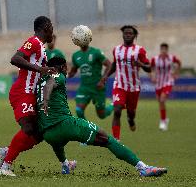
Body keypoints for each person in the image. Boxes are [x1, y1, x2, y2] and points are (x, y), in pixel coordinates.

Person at [37, 56, 167, 177]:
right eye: (65, 67)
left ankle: (65, 165)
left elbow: (46, 85)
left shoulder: (40, 80)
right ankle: (143, 168)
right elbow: (50, 85)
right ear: (62, 67)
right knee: (107, 139)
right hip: (65, 125)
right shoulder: (57, 75)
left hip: (47, 133)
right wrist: (46, 100)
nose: (67, 70)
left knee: (58, 142)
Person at [0, 16, 56, 177]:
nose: (53, 32)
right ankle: (5, 167)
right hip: (23, 92)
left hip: (31, 94)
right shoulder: (34, 41)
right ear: (46, 27)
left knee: (39, 132)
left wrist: (48, 71)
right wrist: (39, 69)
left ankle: (6, 152)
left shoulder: (42, 48)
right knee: (29, 128)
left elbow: (39, 71)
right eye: (52, 28)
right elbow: (15, 58)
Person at [102, 25, 151, 141]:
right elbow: (114, 64)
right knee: (117, 110)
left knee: (131, 113)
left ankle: (131, 120)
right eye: (126, 33)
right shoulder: (117, 49)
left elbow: (149, 68)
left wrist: (141, 65)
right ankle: (116, 140)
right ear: (123, 35)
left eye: (130, 33)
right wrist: (105, 76)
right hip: (119, 85)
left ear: (134, 36)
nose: (127, 35)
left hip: (134, 87)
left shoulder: (140, 50)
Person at [68, 31, 113, 120]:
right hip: (84, 88)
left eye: (84, 38)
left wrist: (102, 80)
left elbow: (109, 65)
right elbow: (72, 72)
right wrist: (64, 74)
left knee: (101, 115)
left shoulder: (96, 52)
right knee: (79, 111)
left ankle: (113, 104)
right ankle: (87, 130)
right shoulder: (76, 55)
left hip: (97, 87)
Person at [150, 43, 181, 131]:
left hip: (168, 81)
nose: (163, 51)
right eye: (162, 49)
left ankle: (163, 121)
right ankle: (164, 118)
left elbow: (179, 63)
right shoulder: (155, 59)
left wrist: (176, 73)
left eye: (165, 49)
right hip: (158, 83)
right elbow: (149, 68)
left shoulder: (171, 58)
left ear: (167, 50)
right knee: (160, 101)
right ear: (160, 50)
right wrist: (152, 76)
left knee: (162, 99)